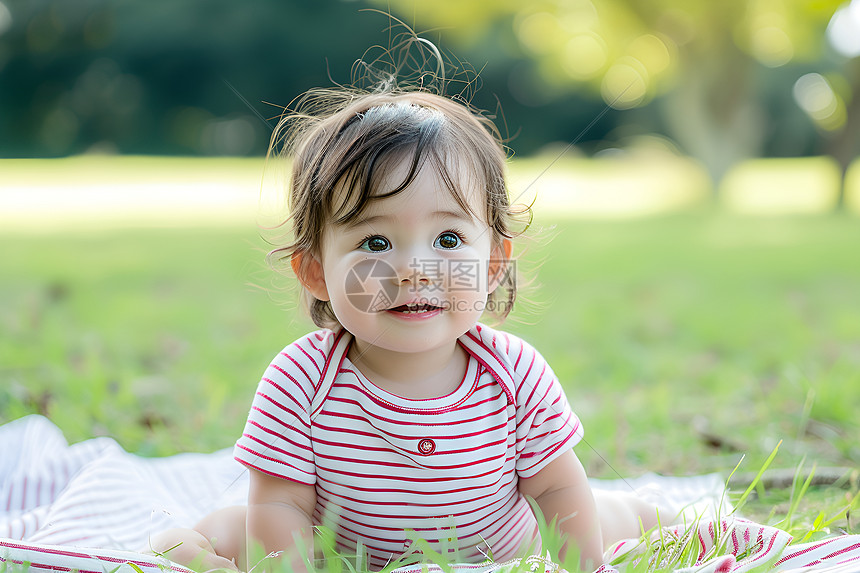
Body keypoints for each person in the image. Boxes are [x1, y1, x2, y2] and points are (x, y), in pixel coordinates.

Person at [148, 84, 662, 573]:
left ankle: (656, 513)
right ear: (315, 271)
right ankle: (171, 538)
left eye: (447, 238)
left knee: (607, 514)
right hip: (343, 554)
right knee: (237, 531)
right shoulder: (300, 381)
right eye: (375, 243)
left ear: (492, 264)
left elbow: (553, 490)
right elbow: (281, 502)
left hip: (503, 548)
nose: (415, 269)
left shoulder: (514, 373)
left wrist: (583, 563)